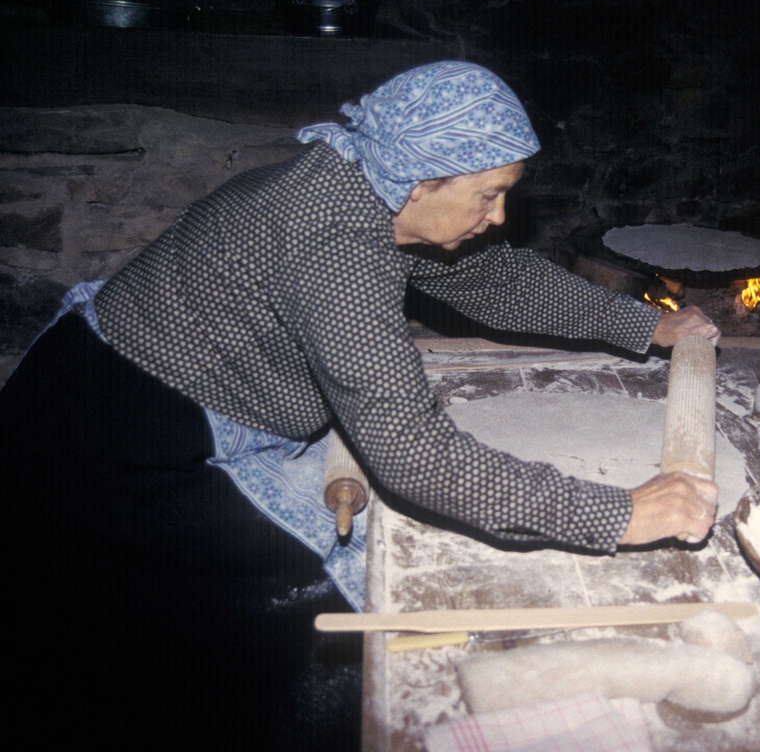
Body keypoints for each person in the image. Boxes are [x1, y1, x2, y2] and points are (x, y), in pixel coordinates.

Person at [0, 61, 720, 748]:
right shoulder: (337, 245)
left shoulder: (366, 182)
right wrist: (621, 513)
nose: (499, 216)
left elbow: (493, 280)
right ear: (419, 184)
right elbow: (415, 455)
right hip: (110, 444)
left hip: (125, 387)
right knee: (310, 621)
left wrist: (643, 325)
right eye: (488, 194)